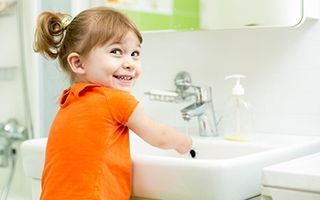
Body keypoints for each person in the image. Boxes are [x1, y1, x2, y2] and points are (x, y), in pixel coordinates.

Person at [33, 6, 192, 200]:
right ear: (79, 64)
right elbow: (160, 136)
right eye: (116, 51)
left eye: (135, 54)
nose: (129, 63)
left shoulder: (69, 100)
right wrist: (184, 142)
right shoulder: (114, 99)